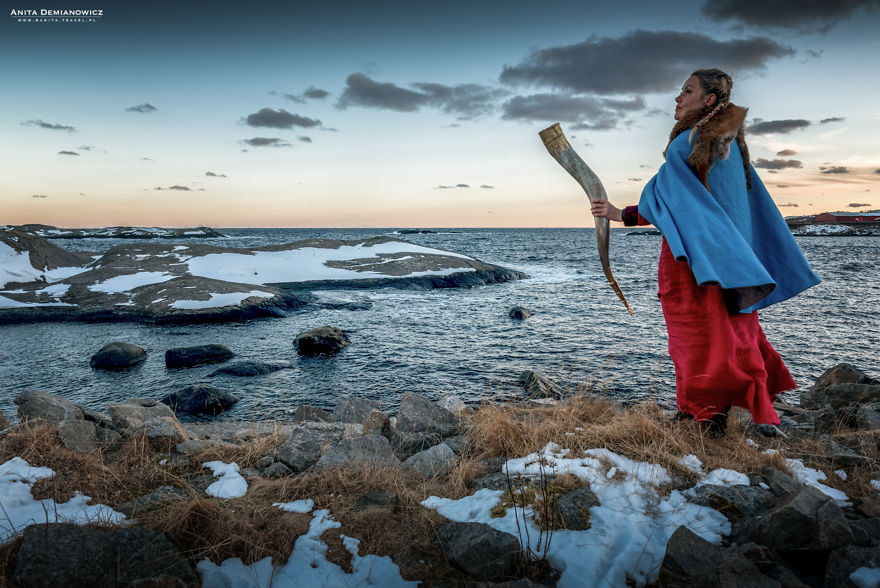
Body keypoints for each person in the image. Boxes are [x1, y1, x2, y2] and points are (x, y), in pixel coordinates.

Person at [591, 68, 820, 436]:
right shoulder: (729, 145)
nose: (677, 99)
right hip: (732, 261)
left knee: (693, 336)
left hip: (692, 263)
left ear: (709, 100)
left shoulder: (690, 142)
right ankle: (717, 408)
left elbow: (665, 197)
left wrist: (619, 214)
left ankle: (703, 413)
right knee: (730, 332)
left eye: (687, 91)